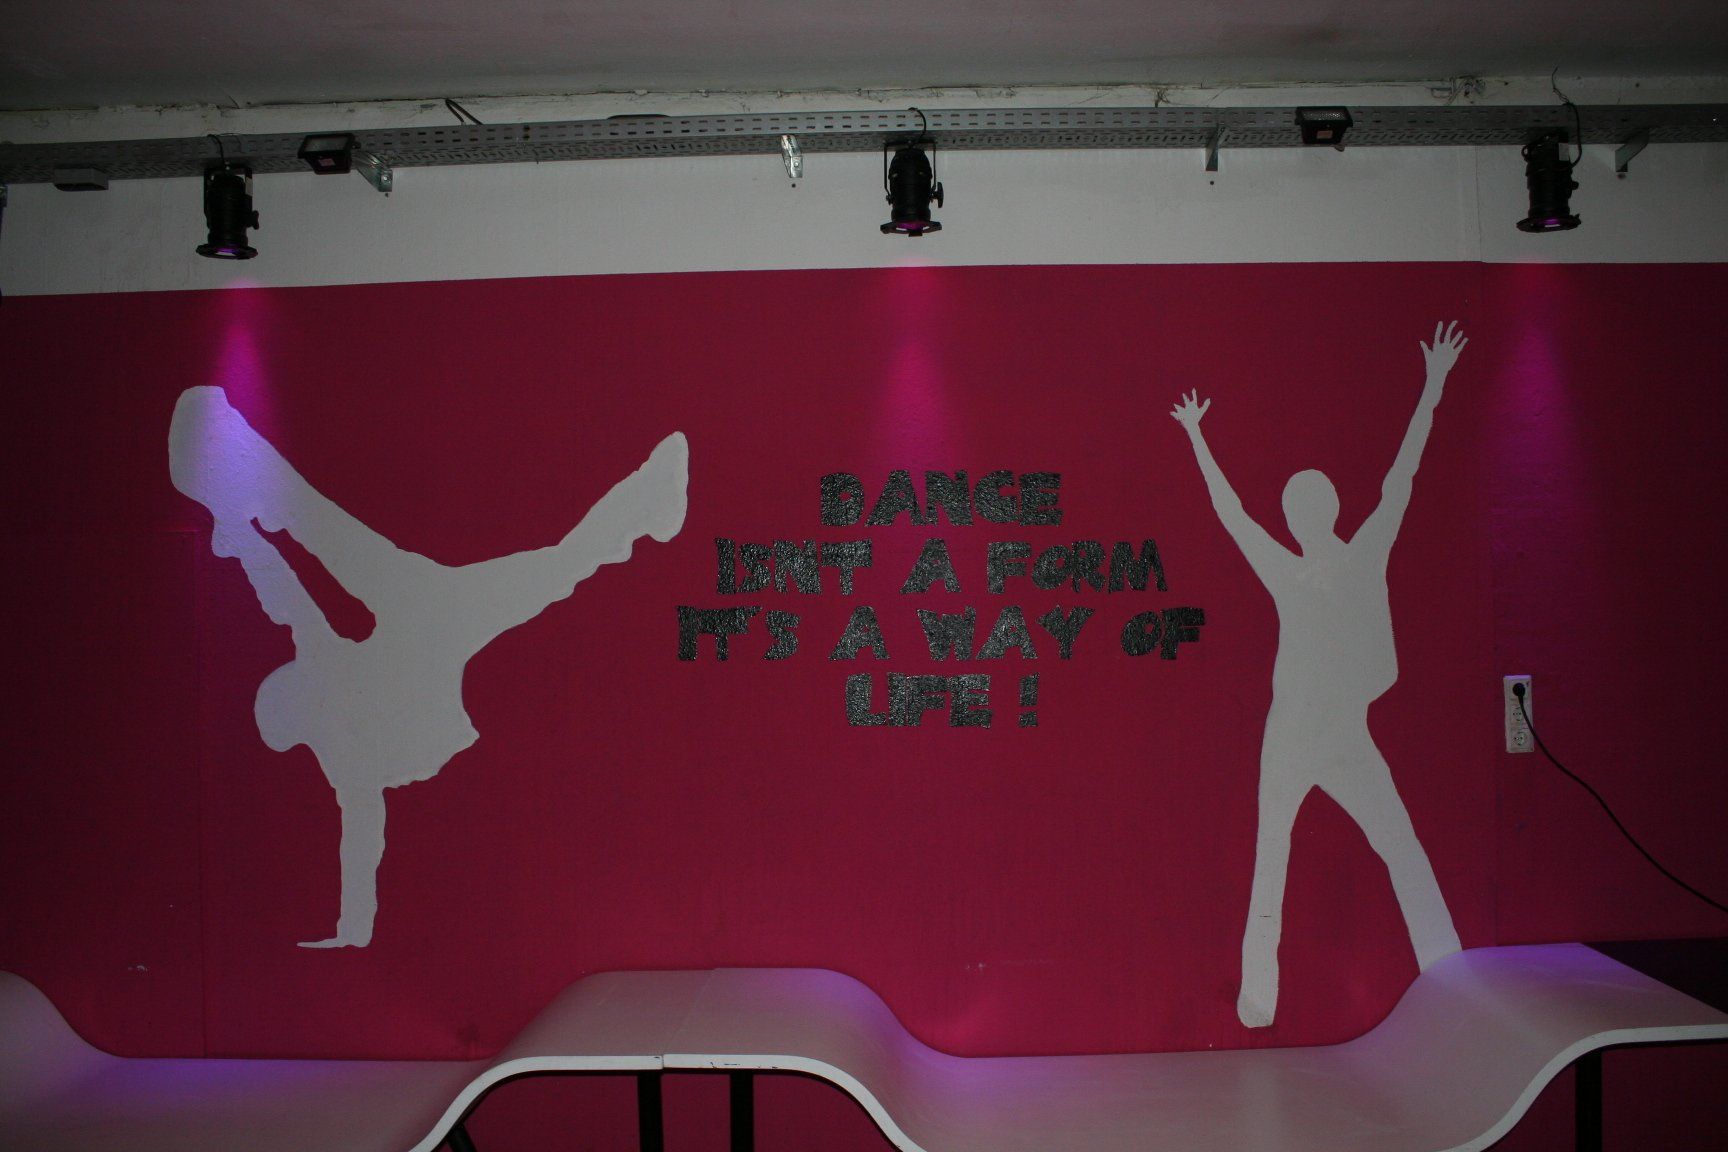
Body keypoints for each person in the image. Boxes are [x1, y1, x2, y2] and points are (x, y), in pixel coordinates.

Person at [169, 386, 688, 947]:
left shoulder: (326, 680)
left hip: (424, 609)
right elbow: (361, 831)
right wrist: (353, 927)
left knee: (553, 566)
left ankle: (648, 498)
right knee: (556, 566)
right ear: (300, 711)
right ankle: (648, 499)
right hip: (436, 624)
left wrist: (243, 540)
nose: (293, 672)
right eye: (290, 684)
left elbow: (288, 595)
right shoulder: (343, 743)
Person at [1170, 321, 1467, 1027]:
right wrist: (1431, 385)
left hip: (1322, 733)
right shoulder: (1336, 560)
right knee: (1352, 848)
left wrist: (1198, 437)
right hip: (1304, 734)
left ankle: (1437, 968)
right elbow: (1396, 481)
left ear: (1309, 514)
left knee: (1304, 853)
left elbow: (1238, 515)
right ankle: (1434, 967)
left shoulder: (1324, 563)